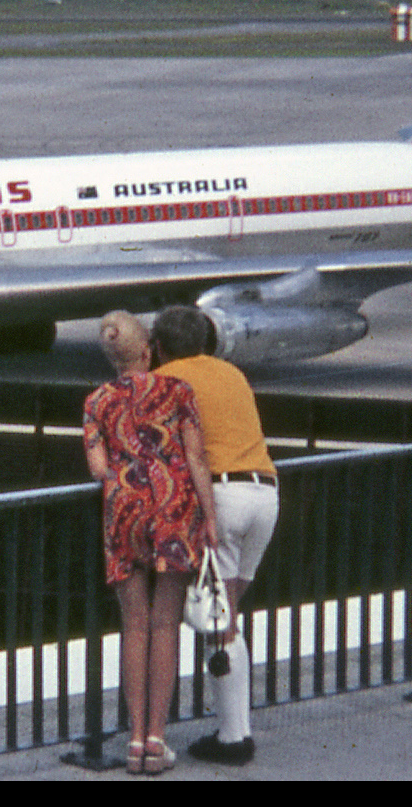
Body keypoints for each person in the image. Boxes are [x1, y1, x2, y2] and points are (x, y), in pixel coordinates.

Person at [83, 310, 218, 775]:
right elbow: (197, 458)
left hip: (124, 511)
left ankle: (134, 739)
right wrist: (211, 519)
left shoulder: (96, 401)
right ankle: (158, 739)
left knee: (133, 624)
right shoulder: (178, 391)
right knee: (166, 624)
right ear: (148, 352)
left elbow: (98, 468)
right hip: (174, 506)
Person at [152, 305, 278, 765]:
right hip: (265, 493)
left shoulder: (168, 382)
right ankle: (234, 729)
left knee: (219, 621)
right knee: (229, 611)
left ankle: (234, 738)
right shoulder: (233, 373)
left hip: (222, 498)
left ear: (160, 347)